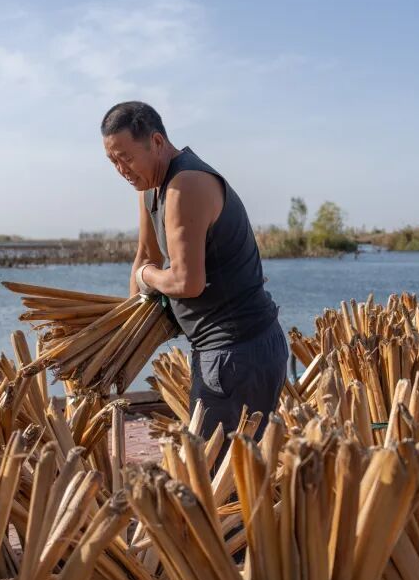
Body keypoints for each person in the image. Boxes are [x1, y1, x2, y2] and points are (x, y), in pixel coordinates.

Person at [100, 101, 287, 439]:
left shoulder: (185, 184)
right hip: (223, 352)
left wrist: (146, 278)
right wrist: (126, 341)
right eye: (113, 161)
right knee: (225, 476)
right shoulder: (149, 189)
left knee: (217, 480)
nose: (121, 169)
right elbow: (145, 253)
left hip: (237, 353)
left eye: (126, 157)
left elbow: (187, 282)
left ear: (157, 142)